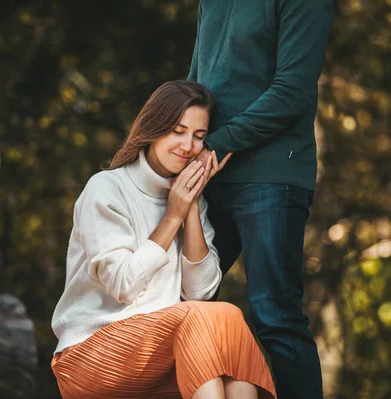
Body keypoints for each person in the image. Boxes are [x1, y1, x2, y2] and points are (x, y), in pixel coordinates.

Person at [50, 81, 276, 399]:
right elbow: (124, 285)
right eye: (178, 131)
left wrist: (191, 206)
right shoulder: (107, 189)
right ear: (154, 129)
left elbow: (200, 292)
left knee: (228, 318)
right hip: (90, 354)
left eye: (199, 136)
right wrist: (173, 216)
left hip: (159, 356)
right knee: (204, 318)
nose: (188, 146)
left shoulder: (186, 198)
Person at [187, 0, 335, 398]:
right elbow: (194, 88)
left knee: (275, 316)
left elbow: (292, 92)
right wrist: (181, 144)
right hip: (211, 173)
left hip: (272, 175)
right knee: (179, 303)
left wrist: (215, 144)